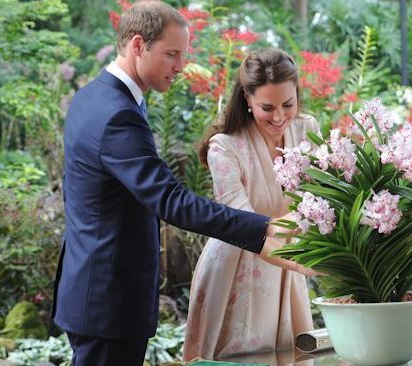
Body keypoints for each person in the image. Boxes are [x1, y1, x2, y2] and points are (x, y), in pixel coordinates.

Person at [51, 3, 313, 365]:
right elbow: (170, 200)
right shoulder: (116, 114)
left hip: (95, 288)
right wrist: (265, 227)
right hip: (107, 298)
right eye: (172, 54)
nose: (180, 66)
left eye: (182, 55)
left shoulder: (94, 97)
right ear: (138, 45)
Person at [182, 48, 316, 361]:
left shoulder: (307, 130)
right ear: (247, 99)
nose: (280, 117)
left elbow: (321, 197)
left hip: (289, 265)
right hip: (238, 265)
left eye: (288, 104)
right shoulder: (225, 147)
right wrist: (310, 259)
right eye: (267, 107)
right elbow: (244, 225)